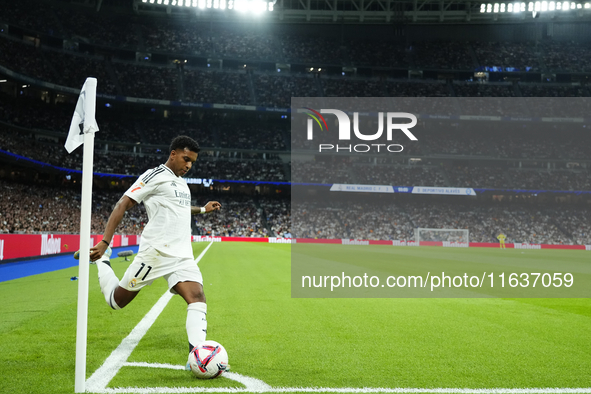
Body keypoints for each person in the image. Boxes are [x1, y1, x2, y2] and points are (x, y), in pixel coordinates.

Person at [89, 135, 221, 360]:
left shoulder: (182, 183)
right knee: (116, 302)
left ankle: (198, 358)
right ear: (173, 154)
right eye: (186, 159)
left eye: (192, 162)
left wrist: (202, 210)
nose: (188, 165)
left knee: (197, 297)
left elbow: (179, 209)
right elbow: (123, 203)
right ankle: (102, 261)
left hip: (181, 255)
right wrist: (105, 242)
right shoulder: (155, 175)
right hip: (155, 254)